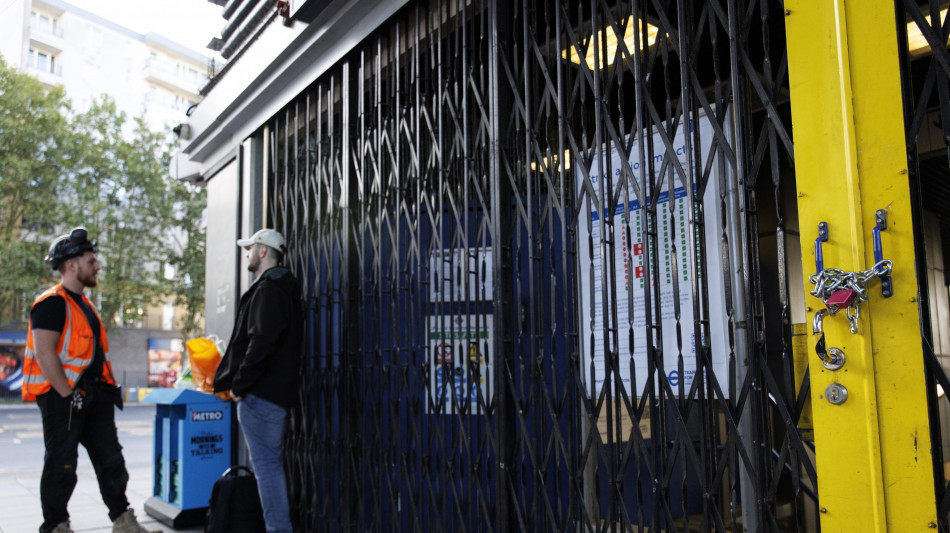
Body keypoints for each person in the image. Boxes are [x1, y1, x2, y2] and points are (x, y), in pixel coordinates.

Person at [22, 227, 157, 533]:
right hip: (64, 399)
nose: (97, 266)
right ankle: (56, 526)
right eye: (91, 260)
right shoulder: (51, 303)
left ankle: (123, 522)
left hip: (95, 396)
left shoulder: (86, 305)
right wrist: (69, 394)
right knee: (62, 466)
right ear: (71, 265)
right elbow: (45, 355)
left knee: (111, 463)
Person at [213, 228, 303, 533]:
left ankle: (279, 529)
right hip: (274, 394)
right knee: (269, 466)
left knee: (266, 468)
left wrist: (240, 384)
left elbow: (262, 340)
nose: (247, 253)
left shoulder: (268, 289)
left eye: (250, 248)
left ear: (263, 251)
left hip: (260, 395)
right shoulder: (282, 288)